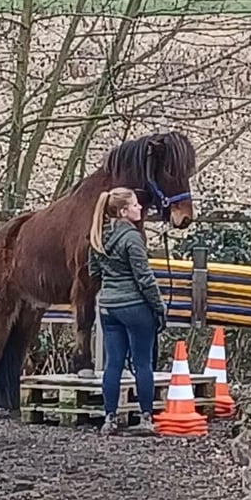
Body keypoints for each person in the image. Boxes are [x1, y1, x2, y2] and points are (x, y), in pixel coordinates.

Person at [87, 187, 167, 436]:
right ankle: (145, 418)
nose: (140, 208)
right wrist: (159, 307)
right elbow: (144, 278)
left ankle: (109, 418)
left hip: (108, 308)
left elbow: (94, 273)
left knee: (113, 363)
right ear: (123, 211)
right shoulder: (131, 238)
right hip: (134, 306)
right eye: (134, 205)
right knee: (142, 364)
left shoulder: (98, 236)